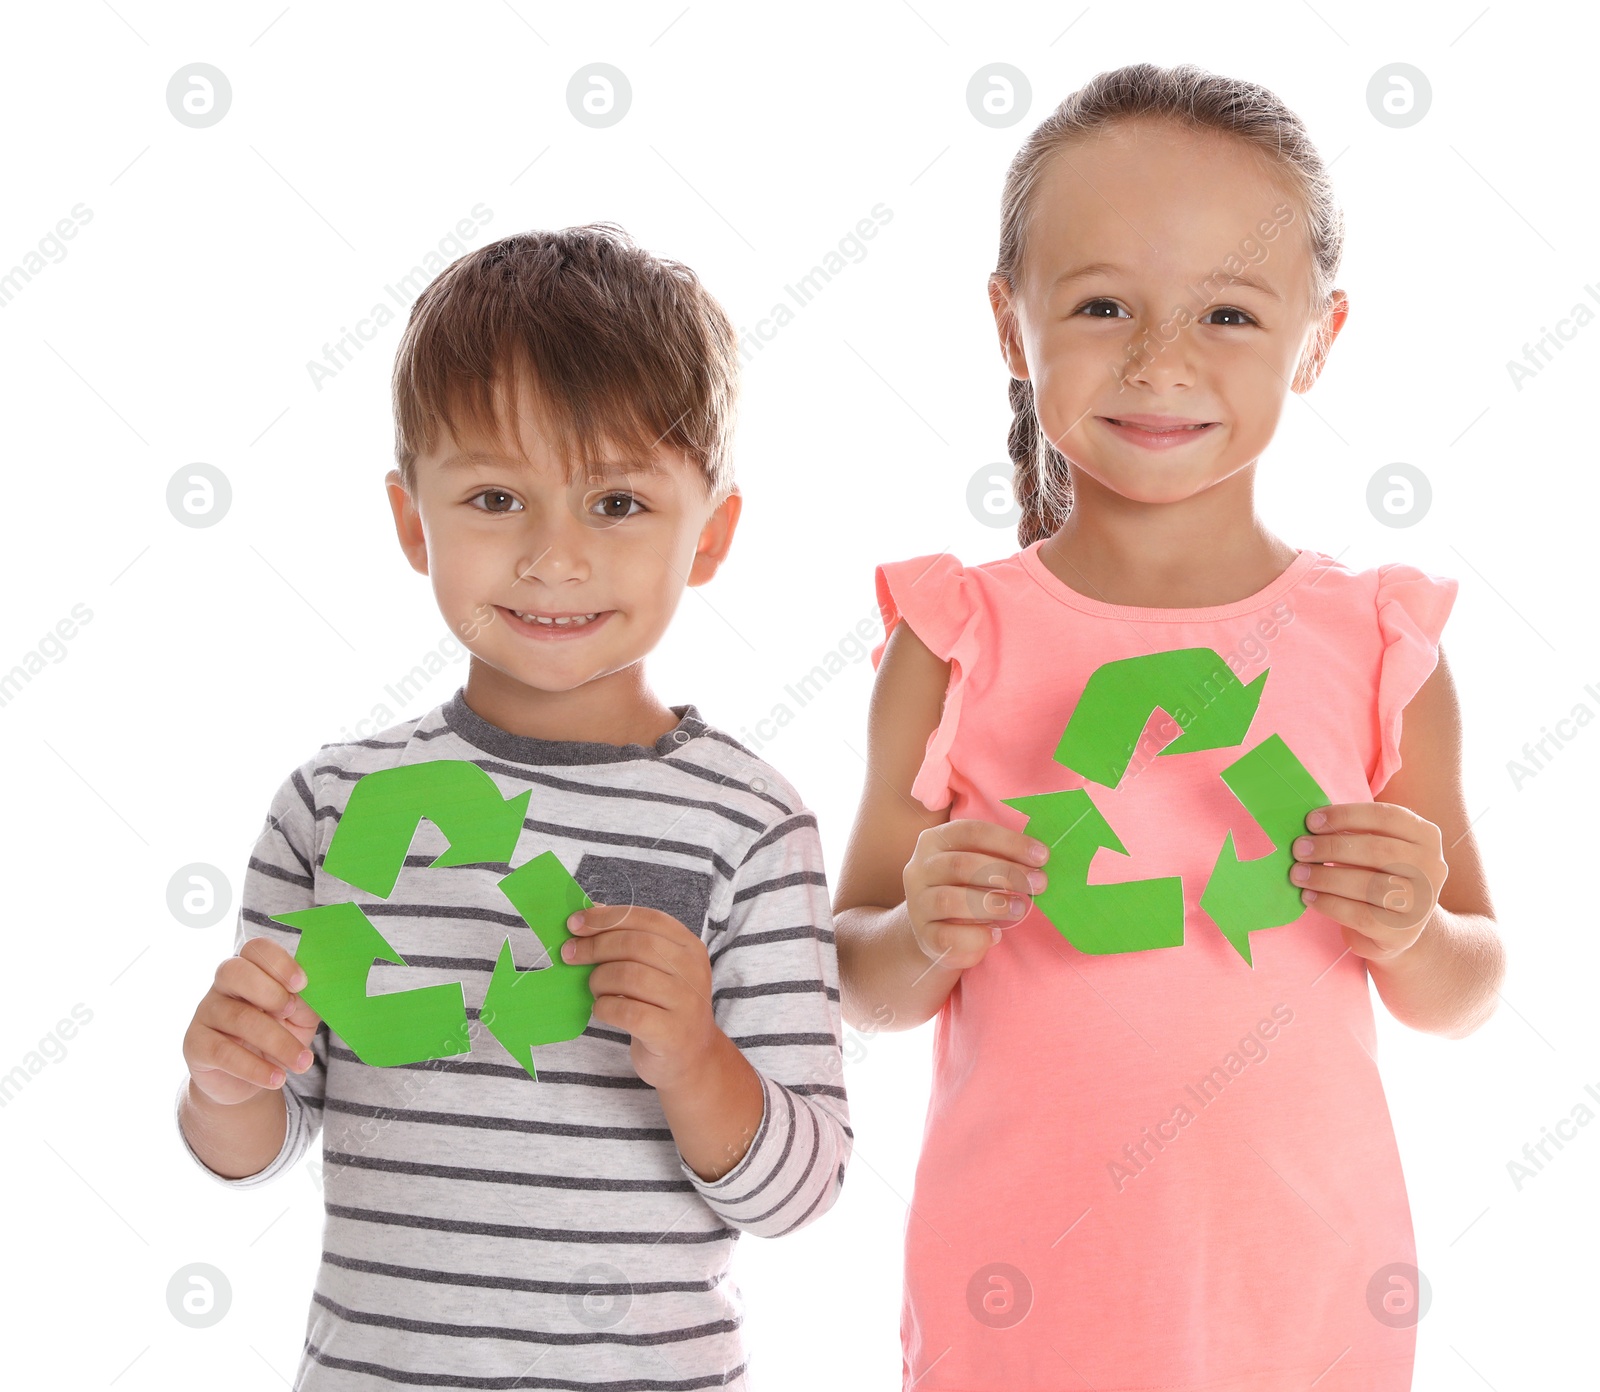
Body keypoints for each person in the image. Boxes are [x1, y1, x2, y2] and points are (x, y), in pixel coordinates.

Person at [833, 62, 1504, 1392]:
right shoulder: (954, 636)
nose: (1160, 361)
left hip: (1301, 1301)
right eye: (1099, 305)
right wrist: (921, 929)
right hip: (1021, 1306)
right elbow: (859, 972)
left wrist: (1415, 931)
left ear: (1321, 336)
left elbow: (1471, 986)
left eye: (1230, 313)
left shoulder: (1381, 646)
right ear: (1012, 328)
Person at [176, 224, 851, 1389]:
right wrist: (221, 1083)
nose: (553, 557)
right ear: (410, 520)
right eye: (496, 497)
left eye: (618, 505)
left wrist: (694, 1058)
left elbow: (803, 1192)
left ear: (713, 535)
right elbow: (261, 1143)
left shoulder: (748, 823)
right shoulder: (331, 809)